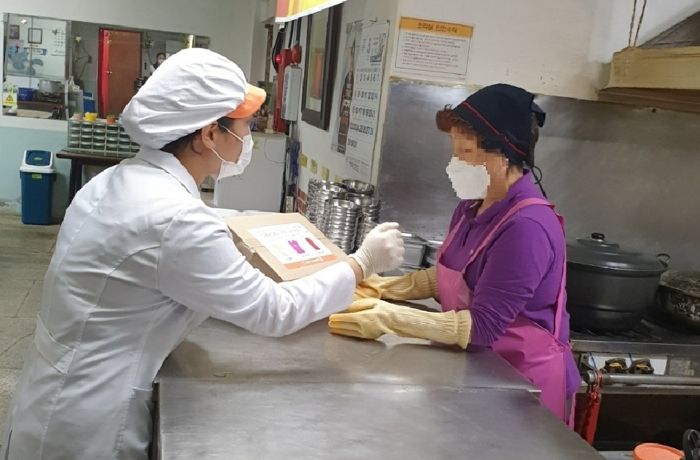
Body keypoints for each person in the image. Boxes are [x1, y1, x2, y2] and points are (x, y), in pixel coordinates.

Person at [0, 48, 404, 460]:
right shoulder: (176, 219)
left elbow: (170, 246)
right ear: (209, 134)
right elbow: (272, 310)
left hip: (53, 393)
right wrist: (361, 263)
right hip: (92, 421)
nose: (249, 137)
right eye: (245, 126)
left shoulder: (116, 181)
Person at [328, 84, 579, 425]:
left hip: (523, 389)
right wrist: (386, 288)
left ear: (504, 154)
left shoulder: (526, 226)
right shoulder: (472, 207)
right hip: (480, 372)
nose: (456, 163)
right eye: (454, 152)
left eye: (467, 152)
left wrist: (391, 318)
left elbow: (484, 326)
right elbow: (454, 274)